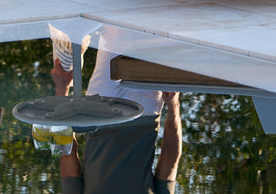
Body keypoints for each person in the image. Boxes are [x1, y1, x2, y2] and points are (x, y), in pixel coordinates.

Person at [50, 47, 182, 194]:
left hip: (104, 111)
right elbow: (170, 158)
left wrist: (62, 90)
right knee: (154, 43)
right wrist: (173, 104)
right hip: (142, 112)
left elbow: (66, 157)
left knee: (114, 40)